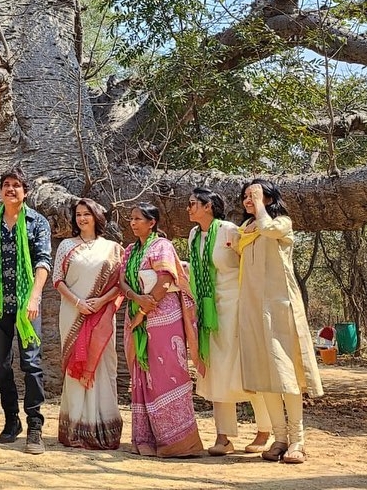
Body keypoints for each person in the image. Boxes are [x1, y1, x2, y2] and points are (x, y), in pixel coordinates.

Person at [237, 179, 323, 465]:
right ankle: (279, 438)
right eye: (246, 197)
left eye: (255, 195)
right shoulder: (245, 232)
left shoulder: (281, 223)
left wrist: (261, 205)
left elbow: (269, 229)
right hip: (252, 310)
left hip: (280, 308)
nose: (249, 201)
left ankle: (297, 440)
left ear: (270, 199)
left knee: (286, 375)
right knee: (265, 375)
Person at [186, 187, 272, 456]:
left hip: (235, 305)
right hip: (208, 310)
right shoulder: (192, 235)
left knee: (246, 367)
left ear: (208, 206)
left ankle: (265, 430)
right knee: (215, 370)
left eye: (193, 204)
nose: (188, 208)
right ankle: (223, 436)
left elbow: (250, 261)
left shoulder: (228, 230)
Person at [0, 166, 52, 455]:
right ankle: (11, 420)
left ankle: (35, 425)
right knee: (2, 365)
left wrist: (34, 297)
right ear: (0, 190)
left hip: (27, 306)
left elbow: (43, 260)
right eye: (6, 184)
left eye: (16, 185)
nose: (10, 189)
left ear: (25, 192)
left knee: (31, 364)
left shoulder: (37, 222)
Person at [119, 202, 203, 458]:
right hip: (137, 314)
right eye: (131, 219)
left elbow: (166, 280)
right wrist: (135, 297)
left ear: (151, 222)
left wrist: (145, 308)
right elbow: (121, 280)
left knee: (168, 373)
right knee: (143, 376)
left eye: (137, 219)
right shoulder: (131, 250)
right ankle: (146, 439)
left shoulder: (161, 246)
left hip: (164, 318)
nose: (132, 223)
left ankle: (178, 441)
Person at [52, 198, 124, 450]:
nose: (82, 218)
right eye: (78, 214)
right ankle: (75, 428)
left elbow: (120, 284)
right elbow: (57, 280)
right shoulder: (66, 246)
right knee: (75, 366)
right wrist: (79, 302)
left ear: (96, 217)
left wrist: (101, 300)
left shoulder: (113, 248)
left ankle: (103, 428)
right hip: (73, 313)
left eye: (87, 214)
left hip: (102, 316)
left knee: (104, 367)